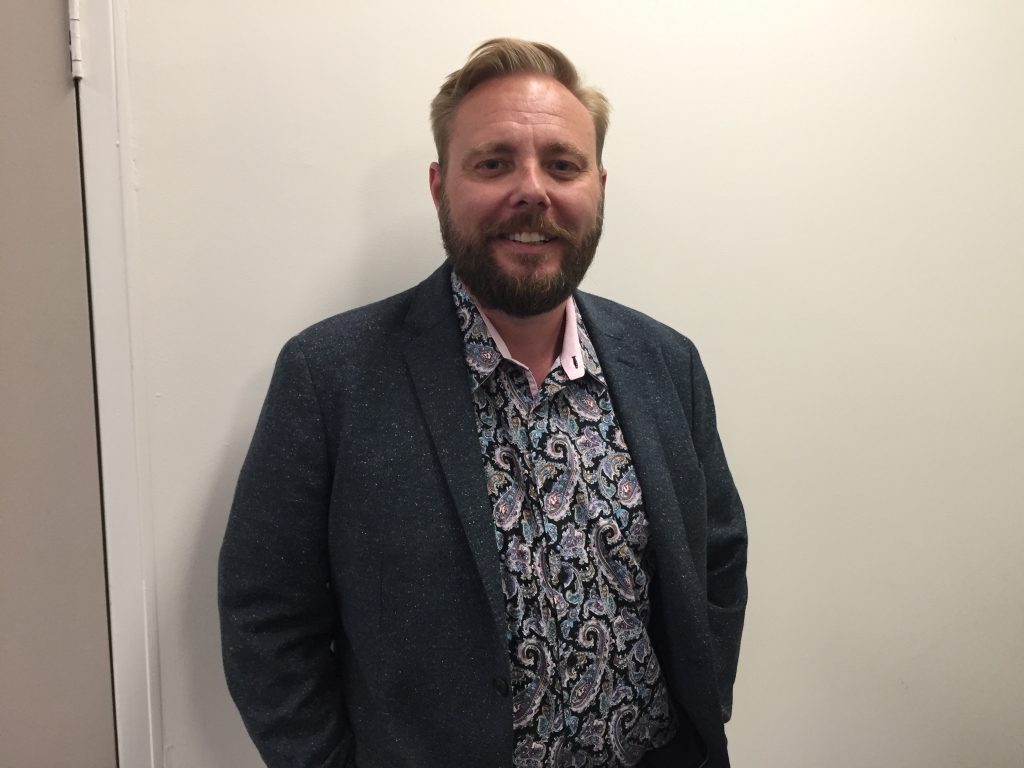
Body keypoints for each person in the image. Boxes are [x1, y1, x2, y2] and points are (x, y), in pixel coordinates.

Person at [219, 38, 747, 768]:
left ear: (597, 184)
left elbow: (716, 555)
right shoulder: (328, 377)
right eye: (494, 162)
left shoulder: (667, 363)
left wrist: (702, 709)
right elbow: (265, 616)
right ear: (440, 186)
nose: (531, 190)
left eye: (562, 164)